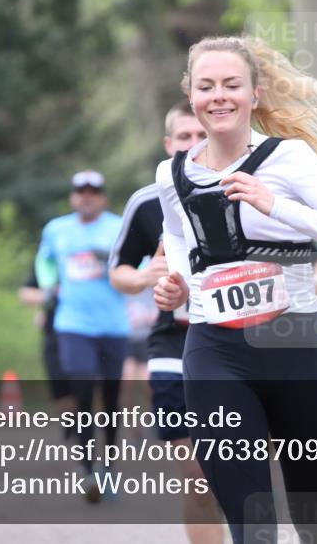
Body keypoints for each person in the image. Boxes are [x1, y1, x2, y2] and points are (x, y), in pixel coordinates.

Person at [153, 36, 317, 544]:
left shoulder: (291, 160)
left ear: (254, 94)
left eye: (232, 85)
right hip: (216, 354)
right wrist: (178, 289)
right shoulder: (171, 175)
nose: (220, 96)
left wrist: (274, 206)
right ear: (190, 94)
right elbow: (178, 239)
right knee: (251, 526)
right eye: (207, 85)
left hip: (296, 348)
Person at [109, 100, 224, 544]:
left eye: (202, 135)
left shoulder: (246, 188)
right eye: (184, 137)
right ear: (168, 144)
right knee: (197, 474)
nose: (193, 145)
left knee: (236, 471)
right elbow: (117, 271)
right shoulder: (147, 201)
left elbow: (307, 255)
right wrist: (143, 276)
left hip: (242, 344)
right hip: (173, 345)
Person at [35, 169, 129, 501]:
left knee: (113, 398)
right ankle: (88, 469)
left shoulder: (119, 227)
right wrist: (48, 286)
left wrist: (115, 265)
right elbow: (44, 263)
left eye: (93, 191)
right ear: (73, 196)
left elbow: (141, 265)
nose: (86, 196)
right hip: (72, 323)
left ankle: (110, 467)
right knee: (83, 389)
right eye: (80, 191)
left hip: (114, 325)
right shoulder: (56, 230)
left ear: (103, 197)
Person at [17, 264, 75, 425]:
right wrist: (50, 296)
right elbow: (25, 293)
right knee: (60, 391)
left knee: (85, 385)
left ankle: (85, 430)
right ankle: (71, 427)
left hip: (88, 333)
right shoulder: (48, 263)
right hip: (53, 334)